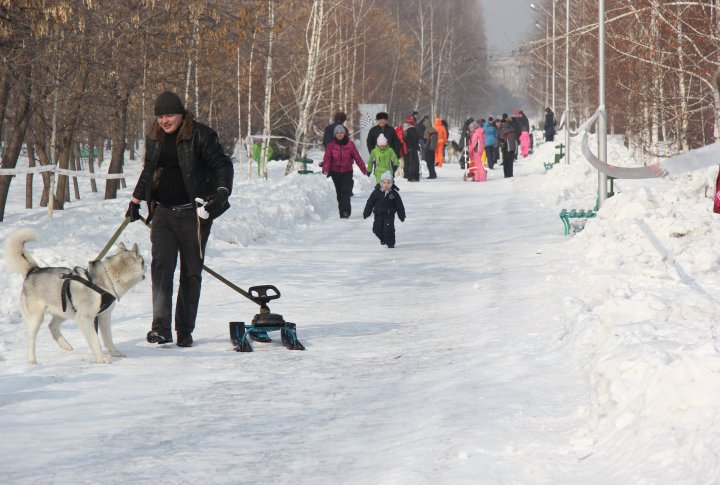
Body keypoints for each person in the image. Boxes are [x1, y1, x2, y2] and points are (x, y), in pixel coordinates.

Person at [126, 91, 234, 348]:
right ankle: (161, 328)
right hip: (162, 212)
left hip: (194, 214)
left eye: (169, 115)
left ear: (181, 114)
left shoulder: (200, 135)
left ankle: (184, 329)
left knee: (191, 272)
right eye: (160, 115)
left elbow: (222, 164)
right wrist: (135, 201)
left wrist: (221, 191)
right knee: (161, 269)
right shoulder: (155, 137)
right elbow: (149, 169)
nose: (164, 120)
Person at [322, 123, 368, 218]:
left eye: (341, 132)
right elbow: (327, 158)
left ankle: (346, 212)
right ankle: (342, 213)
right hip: (335, 172)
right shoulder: (331, 145)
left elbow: (357, 157)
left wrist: (364, 169)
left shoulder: (350, 144)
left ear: (344, 134)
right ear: (335, 134)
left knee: (345, 192)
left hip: (347, 171)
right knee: (339, 194)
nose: (339, 134)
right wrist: (326, 169)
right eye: (337, 133)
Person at [363, 171, 406, 249]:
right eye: (384, 183)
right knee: (376, 229)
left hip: (389, 215)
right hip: (378, 215)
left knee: (388, 230)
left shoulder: (394, 194)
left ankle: (390, 243)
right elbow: (370, 203)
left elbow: (399, 205)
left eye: (388, 183)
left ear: (391, 183)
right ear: (381, 183)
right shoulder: (376, 192)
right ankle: (383, 239)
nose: (386, 185)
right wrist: (366, 212)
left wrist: (401, 215)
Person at [402, 115, 421, 182]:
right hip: (412, 147)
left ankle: (407, 174)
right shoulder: (411, 129)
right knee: (414, 162)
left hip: (406, 147)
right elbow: (414, 139)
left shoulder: (404, 128)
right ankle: (414, 176)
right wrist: (417, 146)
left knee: (407, 162)